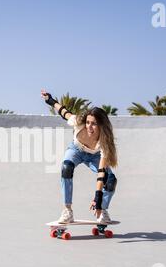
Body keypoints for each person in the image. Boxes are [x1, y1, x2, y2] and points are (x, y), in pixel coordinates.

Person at [41, 89, 118, 224]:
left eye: (94, 124)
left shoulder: (104, 141)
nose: (89, 127)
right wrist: (50, 100)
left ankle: (103, 210)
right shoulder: (78, 122)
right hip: (76, 150)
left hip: (94, 156)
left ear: (101, 125)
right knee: (66, 168)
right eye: (88, 122)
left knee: (111, 180)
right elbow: (64, 112)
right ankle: (67, 210)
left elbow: (101, 173)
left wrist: (98, 199)